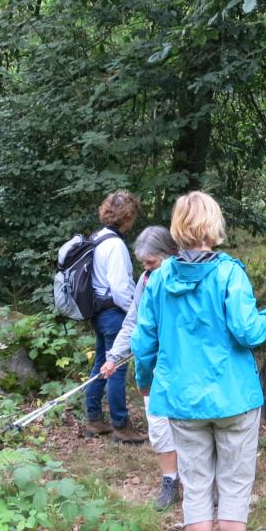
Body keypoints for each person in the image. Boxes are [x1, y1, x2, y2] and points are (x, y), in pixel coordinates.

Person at [131, 191, 266, 531]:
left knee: (196, 484)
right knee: (235, 483)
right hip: (234, 396)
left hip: (184, 400)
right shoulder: (229, 274)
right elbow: (249, 331)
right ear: (213, 225)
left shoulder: (159, 279)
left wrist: (145, 382)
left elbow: (143, 342)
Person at [102, 226, 182, 509]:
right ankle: (170, 481)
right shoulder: (146, 280)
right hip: (151, 368)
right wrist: (113, 356)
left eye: (151, 262)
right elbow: (133, 321)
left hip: (182, 367)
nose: (146, 268)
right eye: (143, 264)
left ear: (170, 254)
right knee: (158, 426)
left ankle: (203, 481)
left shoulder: (184, 279)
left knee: (190, 427)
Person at [85, 190, 147, 444]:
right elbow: (121, 289)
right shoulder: (116, 245)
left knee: (101, 362)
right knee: (116, 368)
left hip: (98, 312)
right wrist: (137, 311)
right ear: (127, 216)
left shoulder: (97, 238)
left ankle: (94, 419)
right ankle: (121, 426)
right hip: (114, 314)